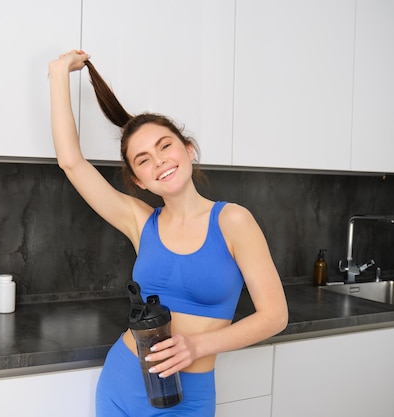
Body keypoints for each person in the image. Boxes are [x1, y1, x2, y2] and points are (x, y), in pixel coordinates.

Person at [48, 49, 288, 417]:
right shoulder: (140, 222)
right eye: (143, 159)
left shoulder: (233, 221)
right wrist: (59, 72)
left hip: (185, 399)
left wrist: (196, 346)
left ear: (189, 150)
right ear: (138, 180)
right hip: (121, 383)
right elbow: (71, 162)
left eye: (166, 146)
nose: (159, 161)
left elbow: (274, 316)